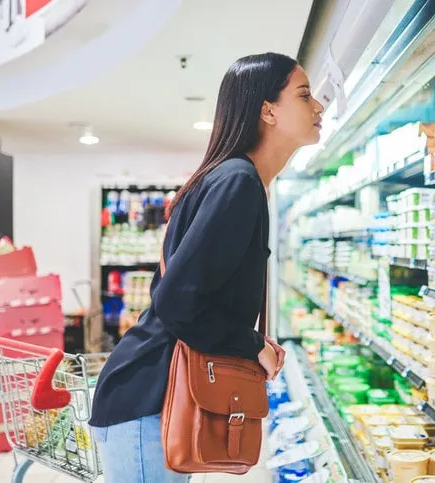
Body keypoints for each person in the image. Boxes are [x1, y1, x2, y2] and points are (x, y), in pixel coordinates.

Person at [88, 52, 324, 482]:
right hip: (149, 403)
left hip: (159, 399)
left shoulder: (237, 179)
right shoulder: (238, 181)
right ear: (267, 110)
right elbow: (178, 302)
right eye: (305, 95)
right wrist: (254, 345)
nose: (319, 106)